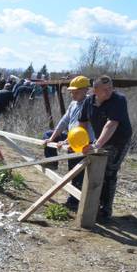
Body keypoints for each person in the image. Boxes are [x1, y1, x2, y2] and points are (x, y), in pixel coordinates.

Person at [78, 75, 133, 221]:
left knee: (109, 172)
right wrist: (81, 142)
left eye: (111, 88)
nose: (109, 91)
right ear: (95, 90)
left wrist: (96, 145)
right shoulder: (88, 102)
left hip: (118, 140)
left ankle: (105, 211)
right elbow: (82, 124)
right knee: (93, 169)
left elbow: (111, 124)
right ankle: (90, 204)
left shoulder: (118, 100)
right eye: (105, 89)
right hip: (100, 139)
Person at [43, 75, 95, 209]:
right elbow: (64, 121)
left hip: (83, 140)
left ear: (85, 90)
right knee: (47, 134)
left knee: (75, 170)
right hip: (72, 136)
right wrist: (53, 138)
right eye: (72, 91)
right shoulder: (73, 104)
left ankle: (74, 201)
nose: (73, 94)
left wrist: (67, 141)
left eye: (76, 92)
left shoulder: (89, 103)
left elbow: (81, 126)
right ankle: (52, 163)